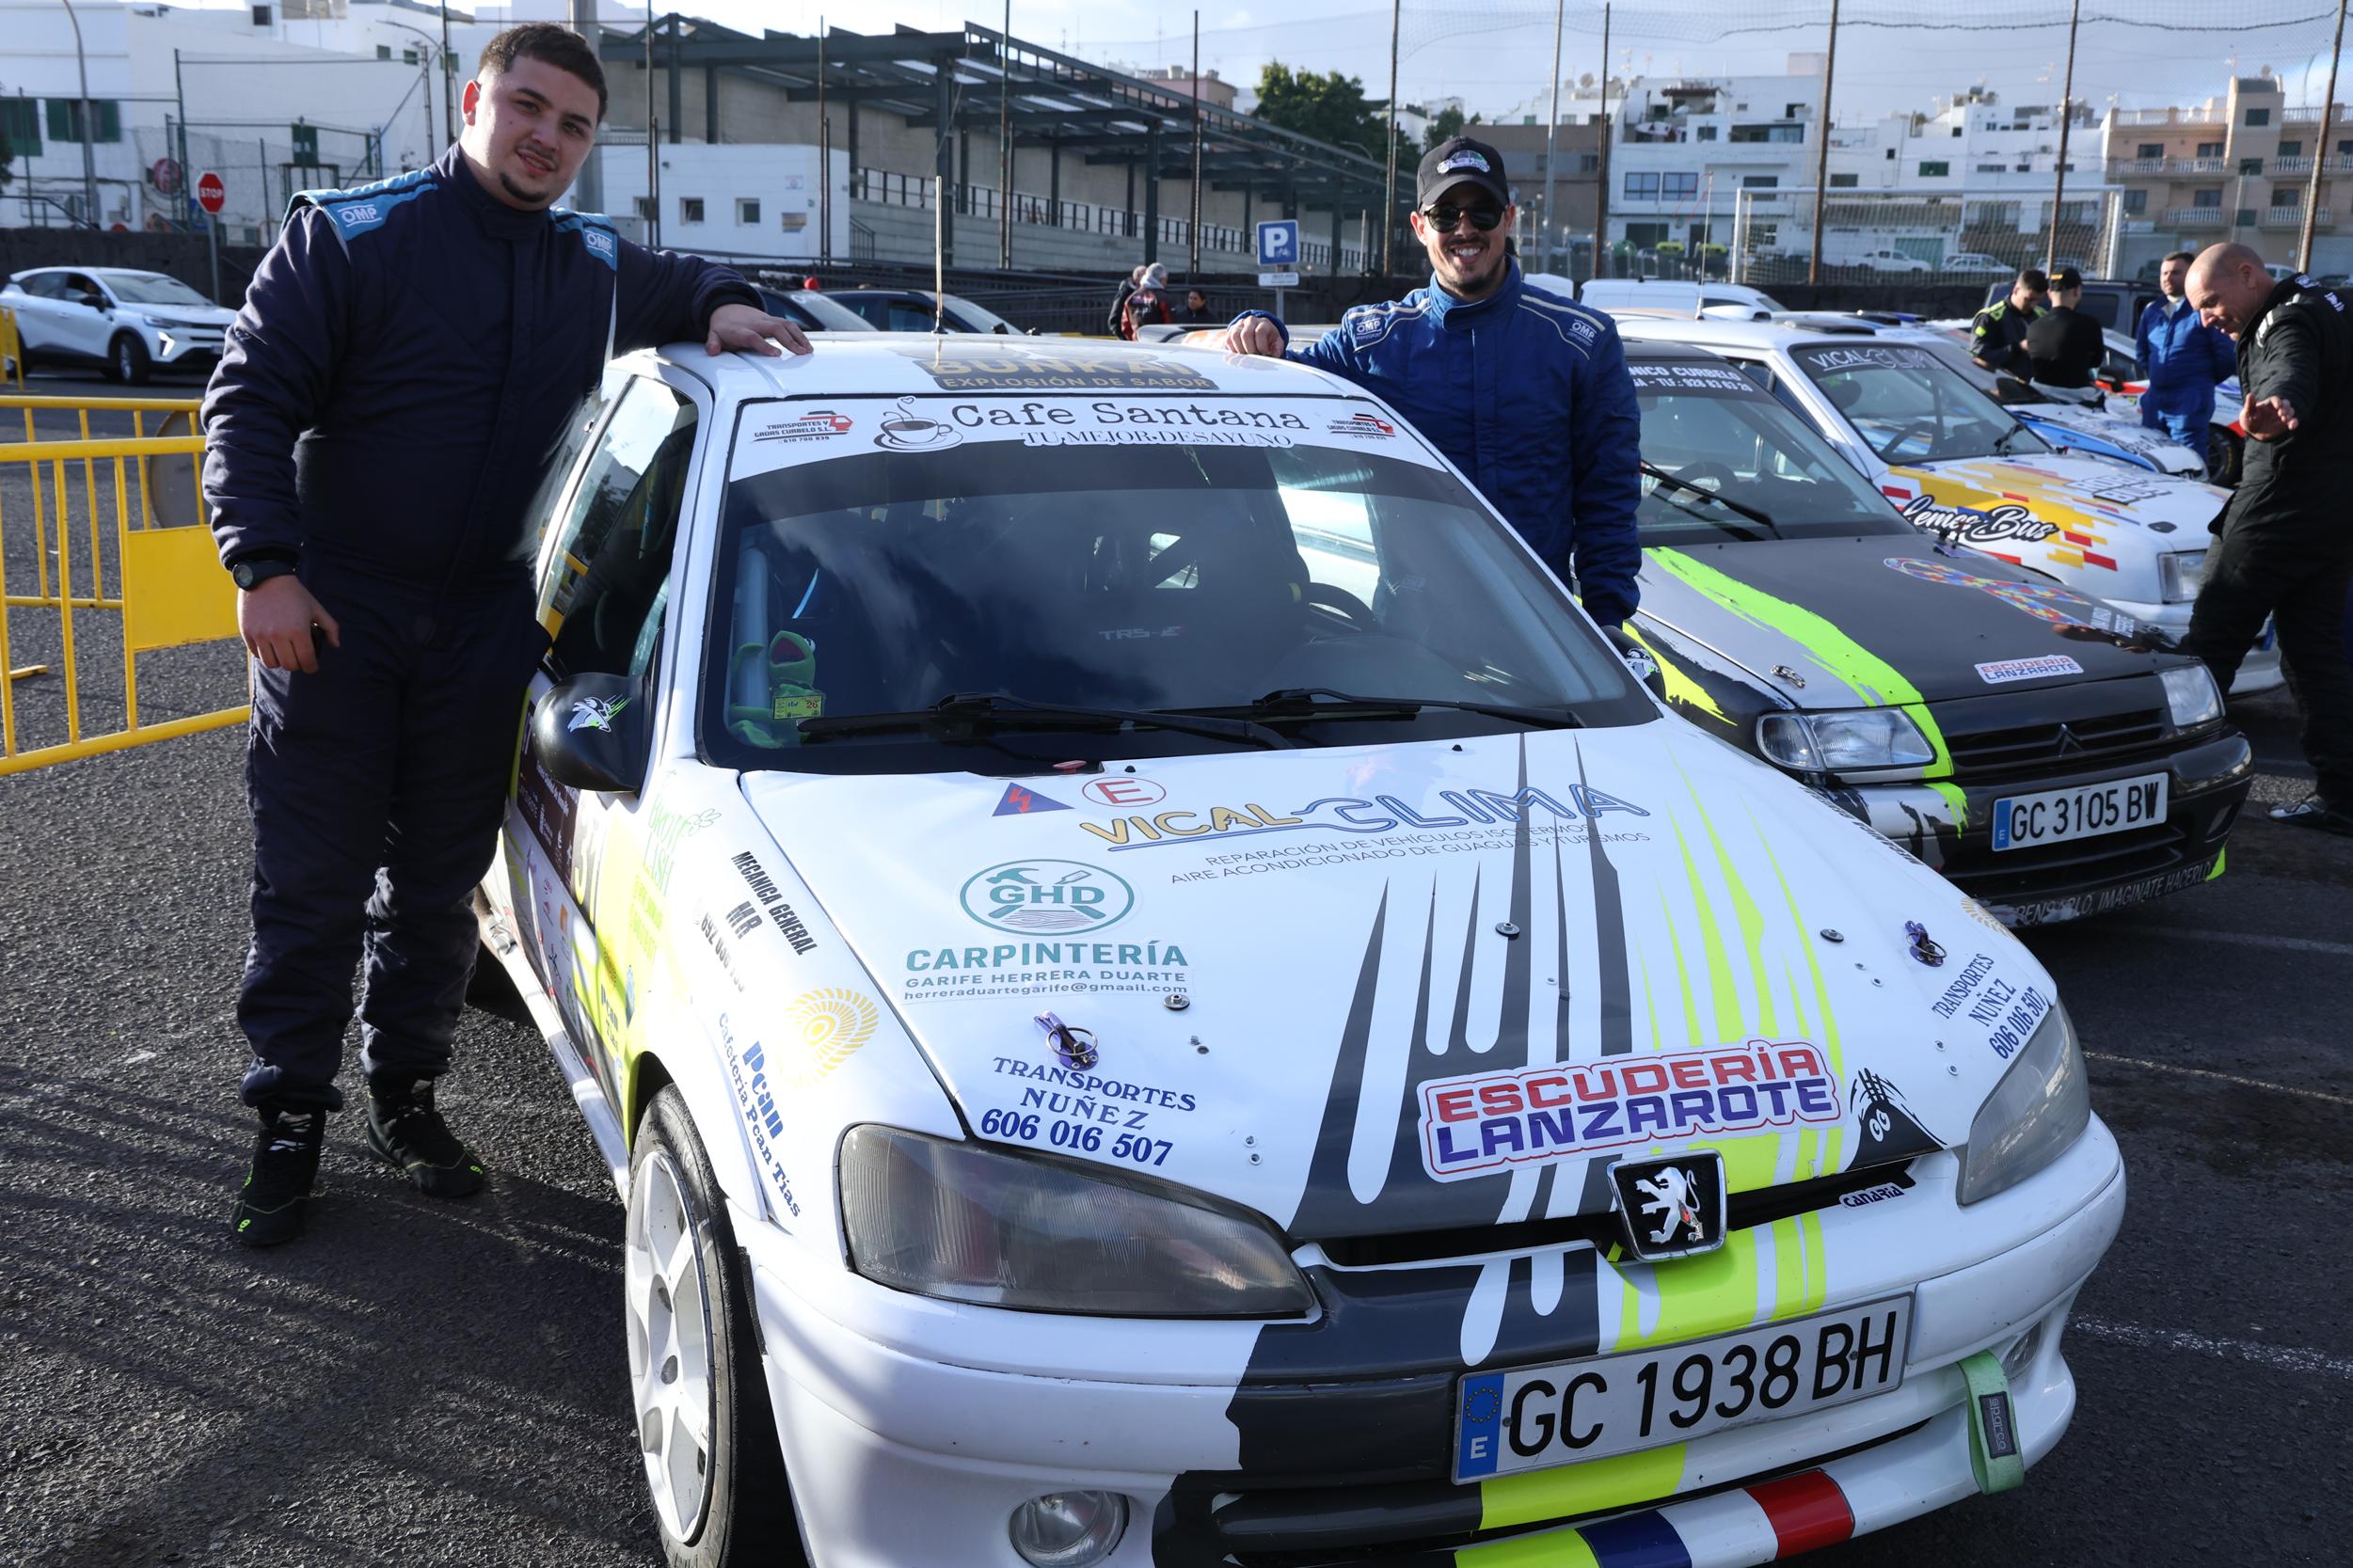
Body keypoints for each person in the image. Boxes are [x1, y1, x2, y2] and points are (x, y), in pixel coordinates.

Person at [203, 24, 812, 1247]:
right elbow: (249, 398)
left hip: (485, 619)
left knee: (436, 884)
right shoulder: (351, 234)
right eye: (527, 108)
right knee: (314, 881)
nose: (547, 138)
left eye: (574, 125)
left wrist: (732, 303)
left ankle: (405, 1094)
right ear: (474, 100)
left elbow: (681, 279)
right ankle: (289, 1120)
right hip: (338, 612)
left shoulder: (587, 259)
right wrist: (263, 568)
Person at [1202, 135, 1641, 627]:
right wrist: (1261, 323)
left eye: (1483, 213)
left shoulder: (1581, 342)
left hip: (1543, 632)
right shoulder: (1374, 341)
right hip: (1414, 635)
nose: (1465, 229)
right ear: (1418, 226)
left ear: (1510, 219)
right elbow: (1281, 372)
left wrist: (1607, 621)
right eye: (1445, 215)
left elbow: (1609, 497)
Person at [2178, 243, 2353, 835]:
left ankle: (2163, 795)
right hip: (2333, 516)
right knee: (2314, 655)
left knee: (2208, 649)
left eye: (2210, 302)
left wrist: (2280, 400)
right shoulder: (2330, 300)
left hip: (2278, 511)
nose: (2207, 318)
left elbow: (2289, 365)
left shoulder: (2286, 317)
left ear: (2249, 275)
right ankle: (2344, 796)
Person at [2134, 248, 2236, 469]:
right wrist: (2161, 378)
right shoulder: (2152, 310)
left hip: (2189, 404)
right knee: (2152, 463)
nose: (2168, 278)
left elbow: (2226, 357)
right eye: (2164, 273)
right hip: (2156, 403)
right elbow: (2142, 352)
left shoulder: (2204, 310)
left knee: (2189, 463)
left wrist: (2198, 382)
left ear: (2191, 275)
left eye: (2175, 272)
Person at [2026, 267, 2106, 389]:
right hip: (2078, 398)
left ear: (2049, 294)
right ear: (2077, 291)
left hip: (2039, 397)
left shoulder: (2033, 327)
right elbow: (2096, 361)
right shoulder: (2089, 325)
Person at [1970, 267, 2048, 378]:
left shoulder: (2041, 316)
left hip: (2035, 387)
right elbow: (1979, 356)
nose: (2033, 304)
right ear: (2016, 290)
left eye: (2038, 300)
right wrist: (2018, 347)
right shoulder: (1990, 317)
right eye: (2029, 299)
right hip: (2000, 387)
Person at [1120, 261, 1174, 339]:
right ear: (1162, 280)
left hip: (1137, 344)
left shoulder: (1130, 299)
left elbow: (1125, 326)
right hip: (1159, 345)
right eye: (1165, 280)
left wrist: (1133, 340)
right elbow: (1171, 326)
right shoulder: (1164, 298)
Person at [1105, 263, 1145, 337]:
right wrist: (1122, 336)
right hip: (1127, 336)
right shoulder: (1125, 292)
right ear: (1137, 277)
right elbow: (1115, 316)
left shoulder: (1142, 291)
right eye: (1145, 276)